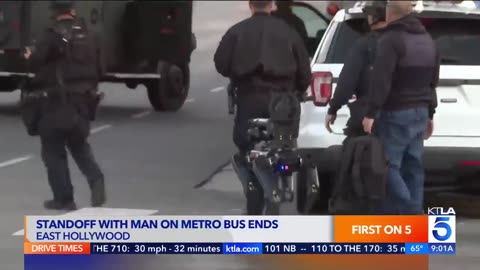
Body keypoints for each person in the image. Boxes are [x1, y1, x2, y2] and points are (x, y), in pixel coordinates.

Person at [214, 0, 311, 214]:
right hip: (282, 105)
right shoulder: (289, 32)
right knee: (283, 150)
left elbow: (220, 63)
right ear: (272, 5)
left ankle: (254, 198)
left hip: (249, 100)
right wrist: (297, 89)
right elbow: (305, 72)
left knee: (247, 152)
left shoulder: (236, 32)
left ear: (250, 5)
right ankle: (278, 187)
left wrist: (239, 73)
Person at [24, 0, 106, 210]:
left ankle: (64, 198)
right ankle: (96, 179)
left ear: (53, 12)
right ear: (72, 10)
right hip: (84, 102)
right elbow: (100, 68)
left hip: (56, 102)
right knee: (79, 145)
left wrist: (29, 56)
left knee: (53, 151)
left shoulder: (52, 35)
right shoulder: (88, 35)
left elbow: (36, 61)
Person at [362, 1, 439, 215]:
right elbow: (433, 81)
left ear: (389, 12)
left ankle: (413, 213)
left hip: (395, 111)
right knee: (413, 167)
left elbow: (381, 80)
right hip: (420, 111)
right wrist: (430, 112)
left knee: (387, 166)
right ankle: (412, 226)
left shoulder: (390, 40)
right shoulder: (428, 40)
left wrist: (370, 112)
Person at [325, 0, 388, 140]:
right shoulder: (406, 41)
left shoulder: (364, 45)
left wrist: (333, 108)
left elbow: (347, 81)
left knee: (359, 154)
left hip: (368, 115)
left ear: (374, 17)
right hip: (407, 116)